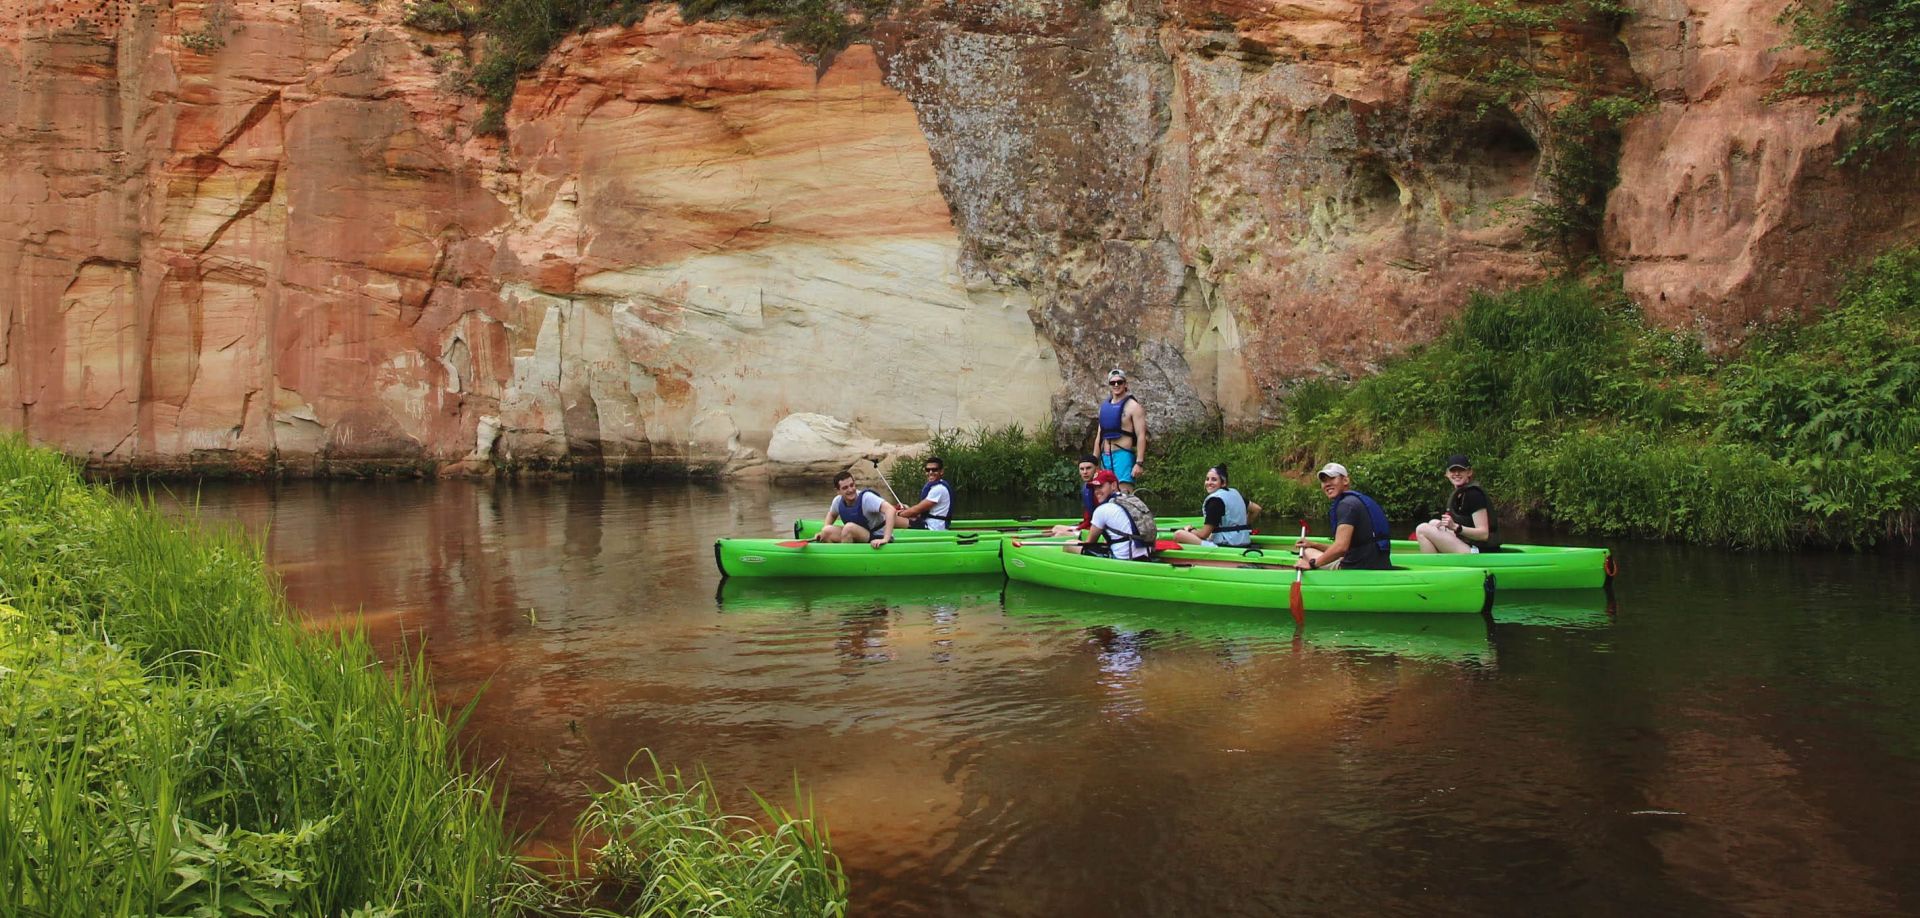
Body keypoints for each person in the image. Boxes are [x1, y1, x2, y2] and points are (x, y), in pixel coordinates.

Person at [1294, 462, 1392, 571]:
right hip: (1378, 565)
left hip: (1355, 569)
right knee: (1311, 548)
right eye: (1324, 481)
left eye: (1332, 478)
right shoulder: (1356, 501)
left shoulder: (1346, 505)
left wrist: (1312, 564)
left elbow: (1341, 548)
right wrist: (1314, 544)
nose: (1327, 484)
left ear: (1345, 480)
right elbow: (1346, 548)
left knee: (1307, 552)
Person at [1414, 454, 1500, 553]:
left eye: (1461, 470)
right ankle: (1437, 561)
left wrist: (1455, 527)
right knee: (1433, 523)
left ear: (1469, 472)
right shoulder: (1460, 493)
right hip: (1469, 544)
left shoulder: (1474, 495)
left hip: (1480, 551)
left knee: (1422, 529)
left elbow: (1483, 534)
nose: (1457, 473)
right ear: (1447, 474)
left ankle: (1432, 565)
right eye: (1453, 470)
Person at [1067, 469, 1158, 561]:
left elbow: (1089, 543)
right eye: (1095, 488)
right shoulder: (1132, 500)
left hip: (1123, 559)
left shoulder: (1102, 510)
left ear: (1113, 485)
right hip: (1146, 554)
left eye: (1100, 486)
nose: (1097, 491)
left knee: (1070, 544)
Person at [1169, 464, 1262, 547]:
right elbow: (1256, 509)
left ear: (1223, 483)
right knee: (1209, 534)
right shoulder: (1234, 493)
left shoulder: (1215, 501)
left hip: (1226, 545)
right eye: (1207, 479)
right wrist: (1242, 527)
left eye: (1214, 479)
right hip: (1244, 540)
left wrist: (1189, 530)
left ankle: (1210, 547)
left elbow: (1203, 535)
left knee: (1179, 534)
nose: (1209, 483)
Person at [1090, 368, 1148, 494]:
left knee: (1124, 493)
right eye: (1113, 383)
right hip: (1106, 457)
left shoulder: (1134, 407)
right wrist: (1094, 463)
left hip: (1123, 455)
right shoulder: (1104, 408)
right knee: (1104, 493)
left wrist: (1139, 462)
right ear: (1109, 385)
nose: (1116, 385)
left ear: (1125, 384)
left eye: (1119, 382)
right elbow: (1099, 437)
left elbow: (1141, 435)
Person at [815, 470, 895, 548]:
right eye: (845, 488)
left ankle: (845, 558)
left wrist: (886, 539)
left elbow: (890, 510)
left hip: (877, 536)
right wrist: (822, 532)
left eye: (852, 485)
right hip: (858, 534)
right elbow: (832, 515)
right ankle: (834, 556)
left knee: (848, 528)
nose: (850, 490)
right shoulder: (837, 501)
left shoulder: (866, 498)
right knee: (826, 531)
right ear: (838, 491)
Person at [894, 456, 955, 531]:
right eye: (927, 470)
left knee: (890, 518)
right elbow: (920, 510)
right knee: (903, 514)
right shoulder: (935, 487)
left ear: (941, 471)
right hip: (928, 523)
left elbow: (916, 510)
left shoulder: (939, 489)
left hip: (933, 528)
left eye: (934, 470)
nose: (930, 472)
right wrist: (906, 509)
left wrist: (898, 514)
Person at [1049, 455, 1101, 537]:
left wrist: (1078, 529)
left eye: (1088, 468)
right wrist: (1078, 527)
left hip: (1097, 531)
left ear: (1097, 469)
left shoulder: (1100, 489)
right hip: (1088, 527)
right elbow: (1088, 518)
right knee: (1056, 528)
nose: (1085, 472)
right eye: (1082, 469)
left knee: (1059, 534)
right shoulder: (1087, 487)